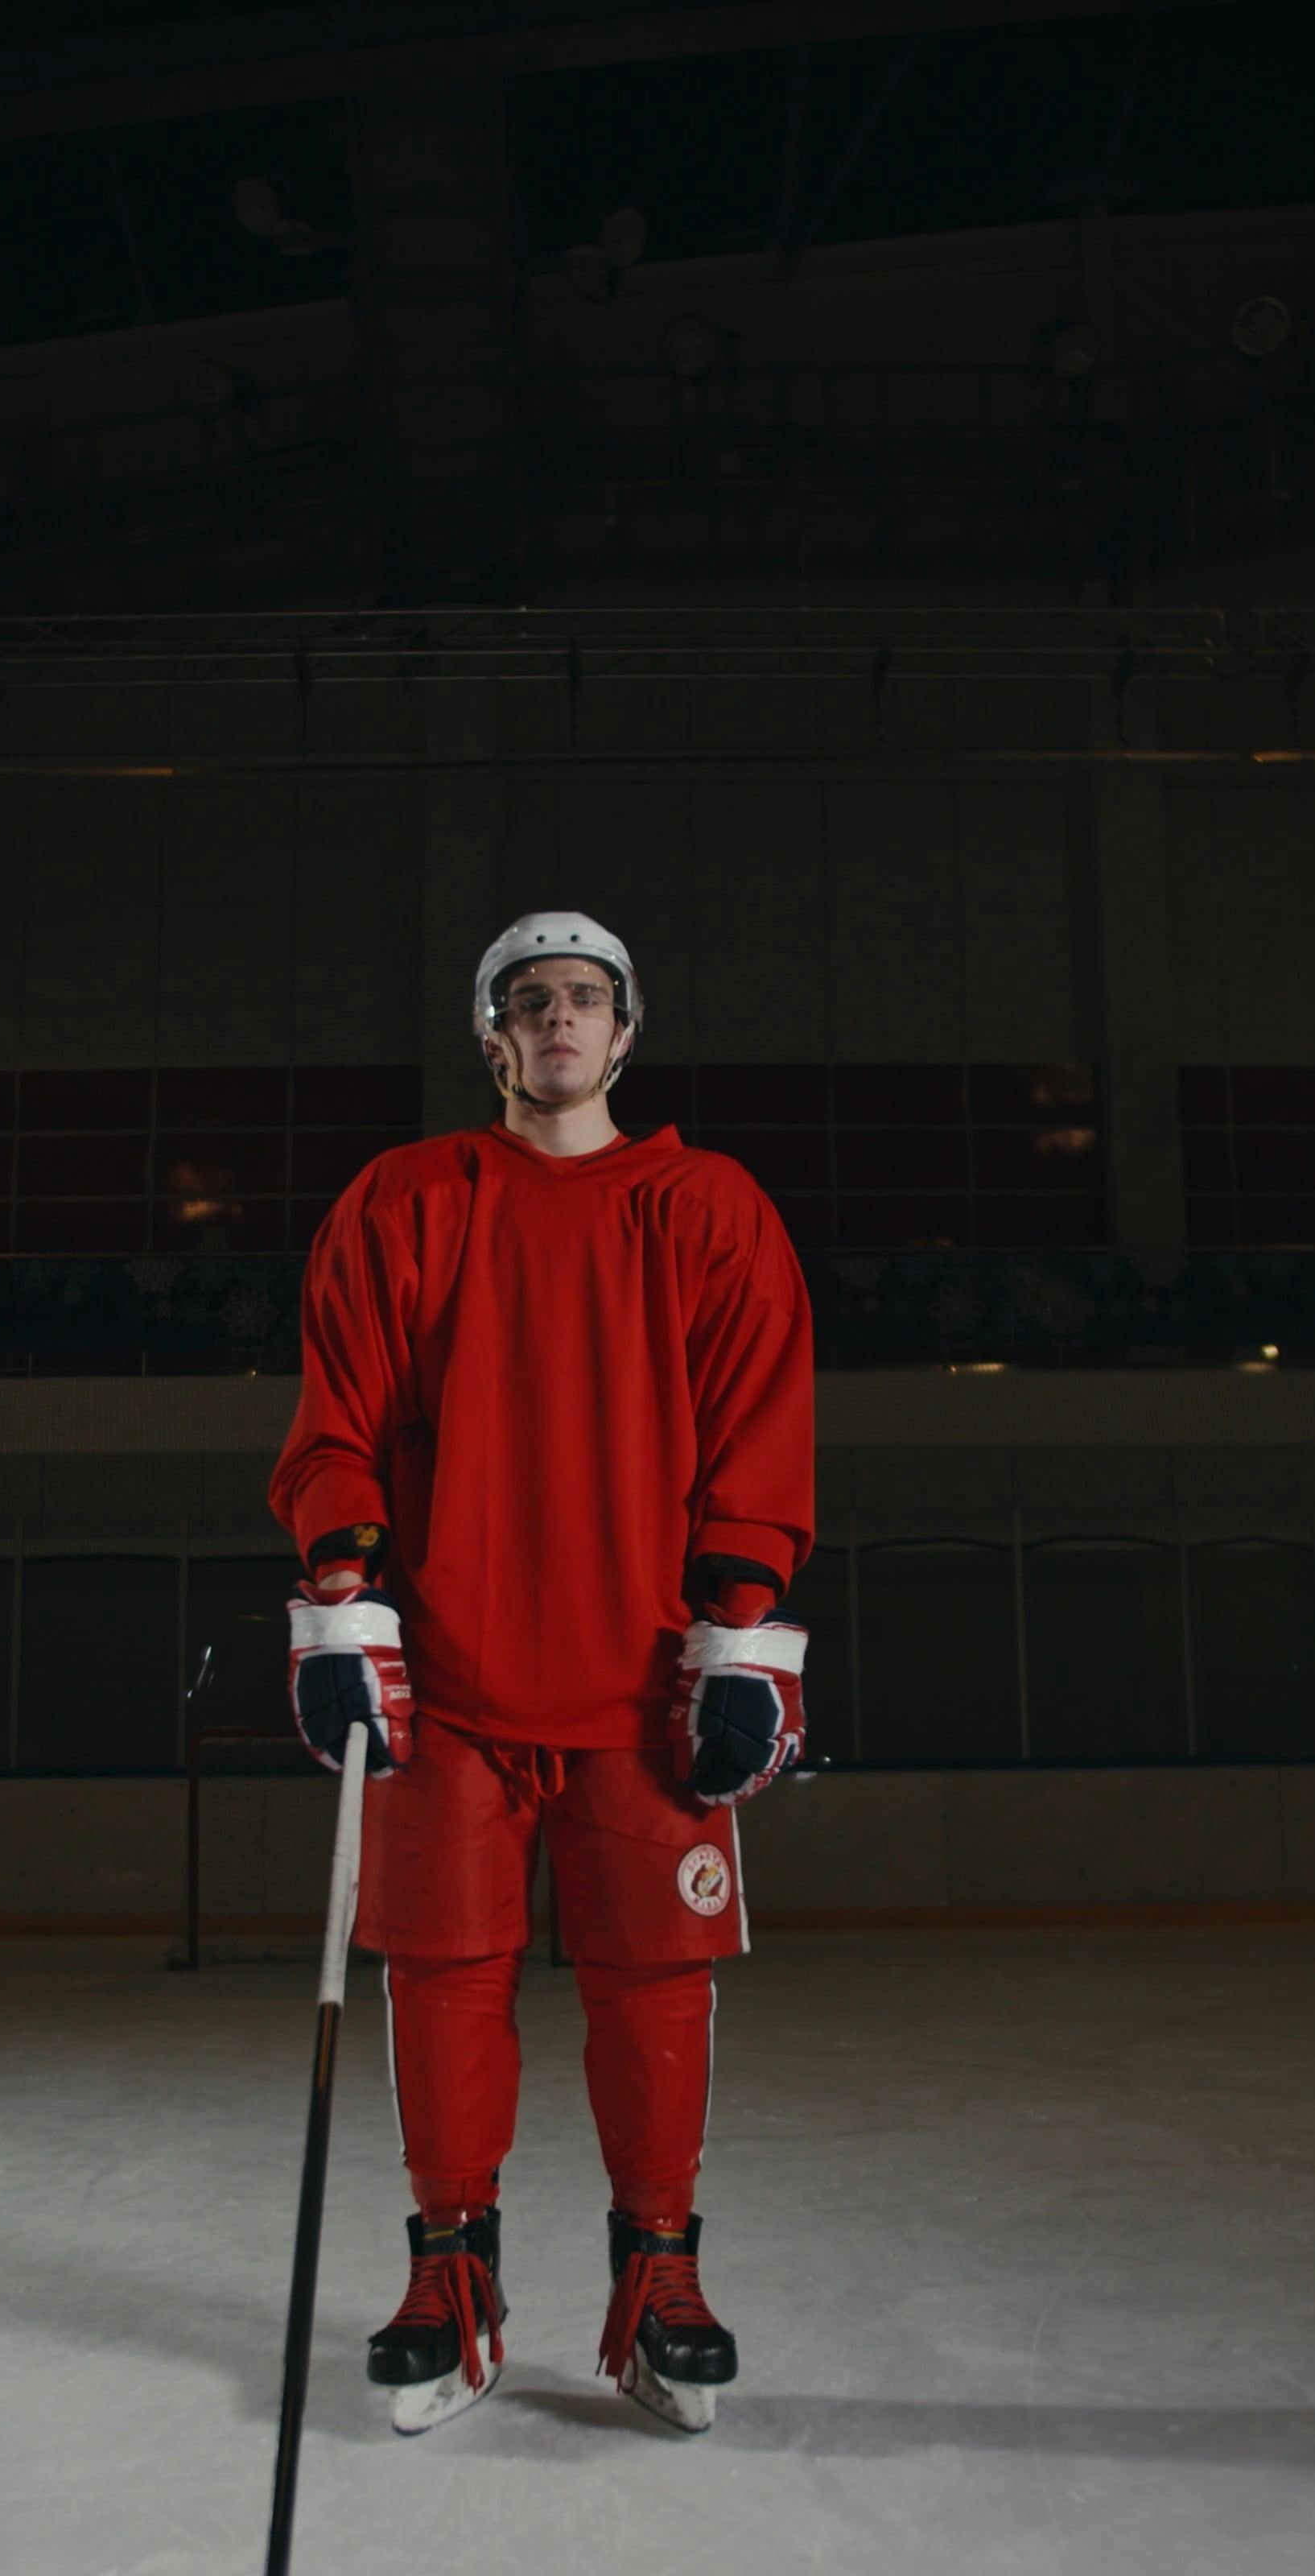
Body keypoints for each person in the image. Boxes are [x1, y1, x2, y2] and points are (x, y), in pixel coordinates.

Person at [270, 911, 814, 2434]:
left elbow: (757, 1427)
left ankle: (660, 2275)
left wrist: (745, 1628)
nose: (559, 1019)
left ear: (626, 1034)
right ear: (492, 1037)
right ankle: (453, 2273)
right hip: (446, 1680)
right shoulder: (406, 1201)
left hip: (645, 1683)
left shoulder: (707, 1207)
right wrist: (340, 1594)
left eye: (586, 998)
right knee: (444, 1978)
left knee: (656, 1987)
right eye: (530, 1000)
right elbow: (336, 1420)